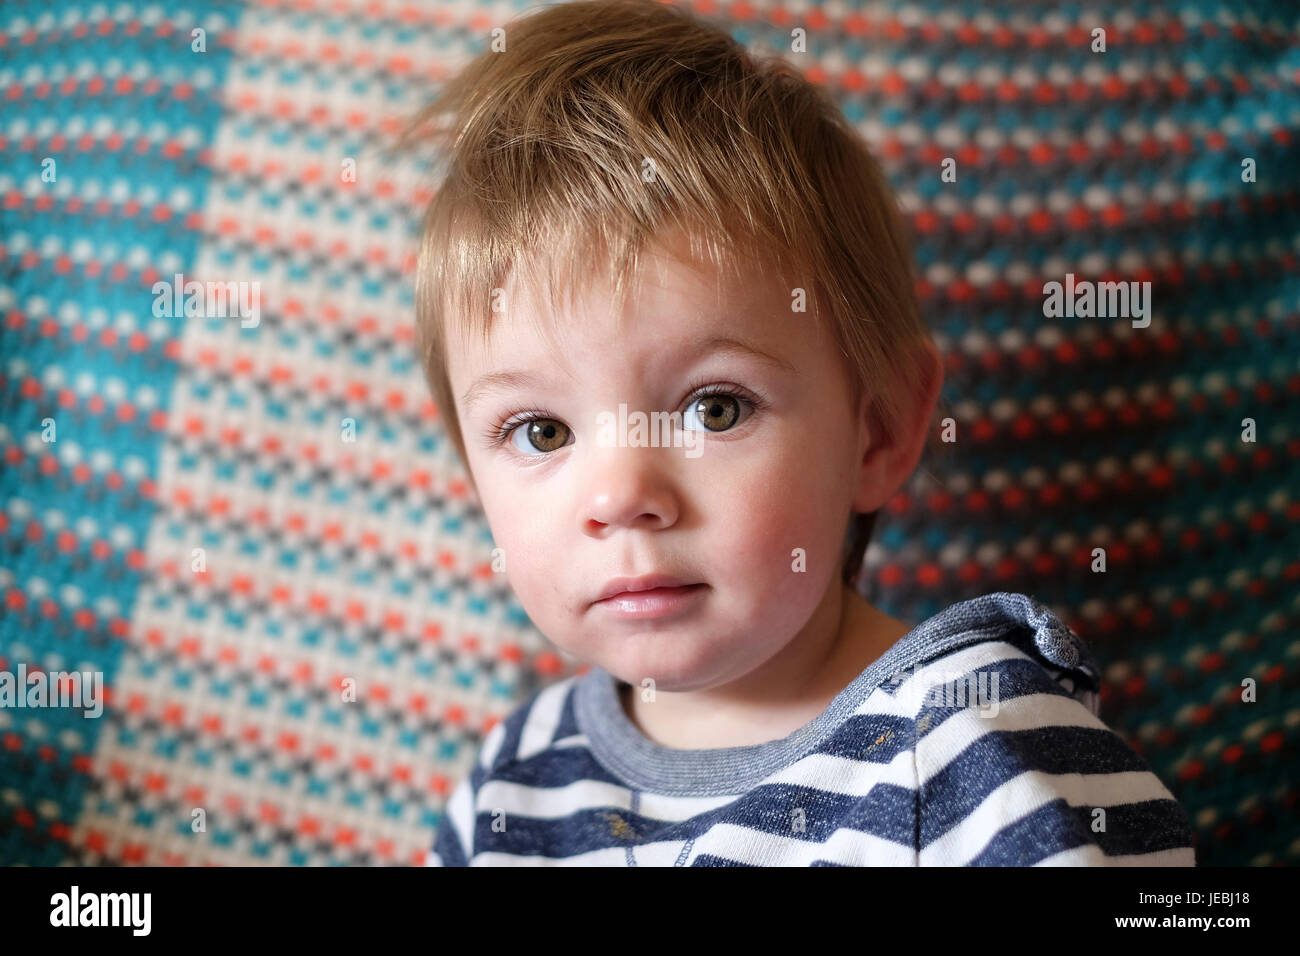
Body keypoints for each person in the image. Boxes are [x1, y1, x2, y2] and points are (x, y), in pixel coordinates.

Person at [403, 0, 1195, 865]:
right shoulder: (512, 781)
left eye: (715, 408)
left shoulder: (975, 747)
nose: (621, 496)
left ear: (880, 429)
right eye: (543, 431)